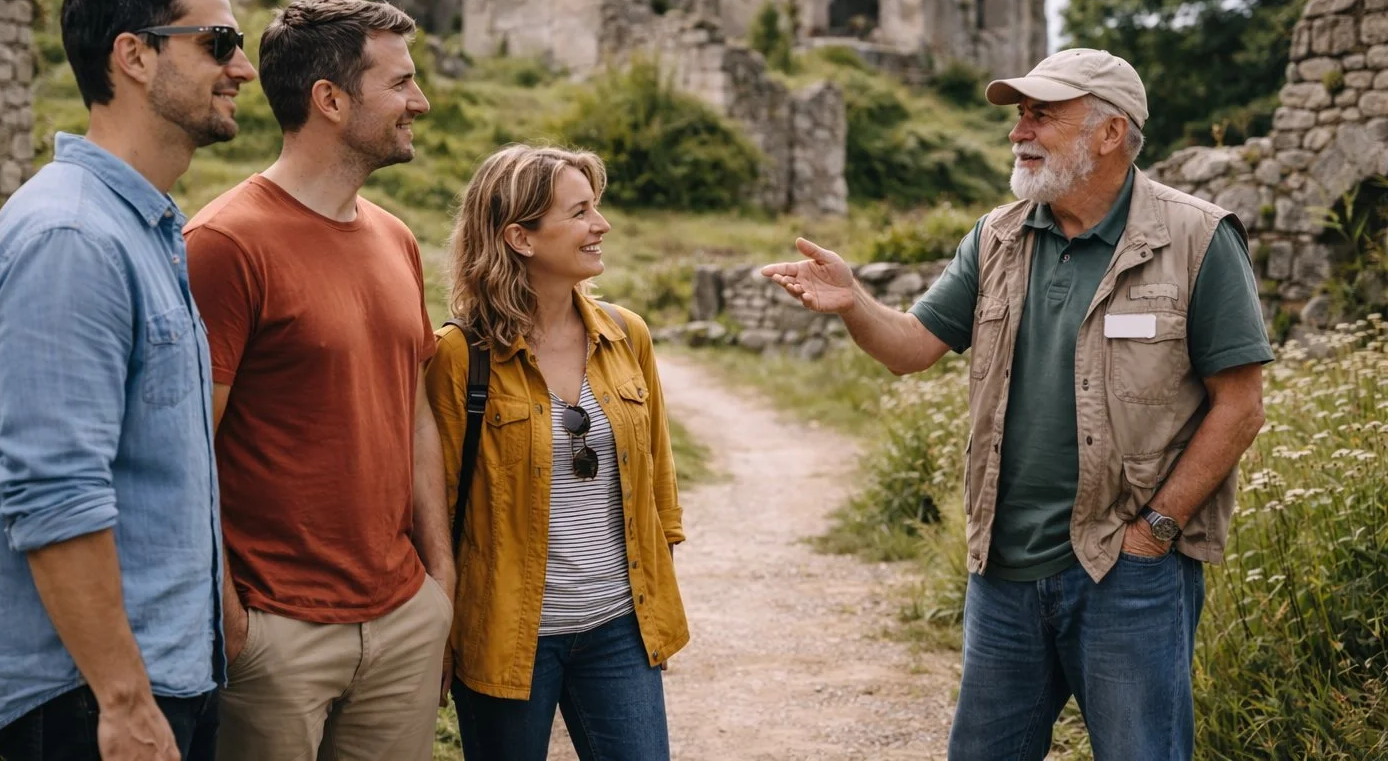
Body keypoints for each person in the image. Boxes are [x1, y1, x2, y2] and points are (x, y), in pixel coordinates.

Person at [763, 48, 1272, 761]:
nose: (1018, 131)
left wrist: (1156, 530)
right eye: (1019, 115)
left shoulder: (1196, 239)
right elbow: (912, 346)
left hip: (1128, 574)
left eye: (1042, 115)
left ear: (1109, 133)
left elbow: (1241, 406)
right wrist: (854, 304)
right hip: (1002, 571)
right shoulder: (997, 235)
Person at [0, 0, 256, 760]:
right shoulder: (73, 238)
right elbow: (55, 493)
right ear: (134, 56)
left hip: (157, 674)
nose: (245, 69)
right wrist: (124, 701)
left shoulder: (143, 228)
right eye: (219, 45)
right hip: (90, 701)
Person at [183, 0, 453, 761]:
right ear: (329, 100)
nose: (420, 102)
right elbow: (187, 451)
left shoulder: (396, 238)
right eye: (400, 83)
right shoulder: (223, 245)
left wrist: (442, 582)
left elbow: (415, 413)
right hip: (277, 636)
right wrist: (235, 622)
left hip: (403, 618)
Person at [424, 144, 689, 761]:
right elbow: (429, 506)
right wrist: (437, 631)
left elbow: (658, 485)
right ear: (520, 236)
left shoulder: (628, 335)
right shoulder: (460, 356)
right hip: (507, 635)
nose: (602, 225)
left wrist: (655, 602)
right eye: (580, 212)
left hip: (619, 628)